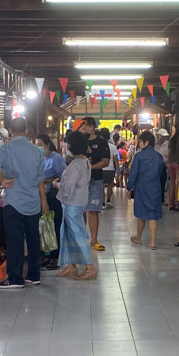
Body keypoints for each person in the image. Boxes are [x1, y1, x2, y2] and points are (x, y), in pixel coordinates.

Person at [0, 117, 49, 289]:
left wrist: (2, 179)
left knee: (14, 240)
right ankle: (34, 275)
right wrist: (44, 203)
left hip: (14, 201)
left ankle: (15, 278)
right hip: (33, 201)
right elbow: (41, 179)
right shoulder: (36, 150)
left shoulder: (5, 148)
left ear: (10, 130)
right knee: (33, 239)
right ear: (26, 131)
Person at [54, 131, 98, 280]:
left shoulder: (76, 165)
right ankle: (71, 265)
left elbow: (68, 187)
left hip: (72, 203)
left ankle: (89, 267)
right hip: (78, 201)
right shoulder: (84, 161)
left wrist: (56, 185)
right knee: (68, 234)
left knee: (78, 234)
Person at [126, 130, 165, 249]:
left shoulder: (139, 156)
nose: (139, 144)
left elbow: (133, 174)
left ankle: (138, 238)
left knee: (141, 214)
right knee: (153, 215)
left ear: (146, 142)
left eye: (140, 142)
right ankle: (152, 242)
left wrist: (129, 188)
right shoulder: (158, 157)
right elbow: (162, 174)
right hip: (155, 188)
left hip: (141, 188)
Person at [78, 117, 110, 251]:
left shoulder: (102, 143)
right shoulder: (80, 142)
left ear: (92, 127)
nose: (86, 129)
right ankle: (81, 239)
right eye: (83, 127)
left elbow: (106, 161)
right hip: (80, 181)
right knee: (80, 210)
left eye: (87, 126)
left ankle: (94, 240)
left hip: (95, 180)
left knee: (93, 210)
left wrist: (91, 167)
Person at [36, 133, 66, 271]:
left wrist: (47, 181)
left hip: (53, 197)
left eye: (40, 145)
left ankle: (56, 257)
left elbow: (62, 177)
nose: (38, 148)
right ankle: (47, 256)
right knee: (45, 227)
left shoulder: (56, 159)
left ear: (47, 145)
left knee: (54, 226)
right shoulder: (39, 159)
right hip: (41, 196)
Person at [166, 126, 179, 211]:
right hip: (177, 162)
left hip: (170, 163)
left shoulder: (172, 139)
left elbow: (169, 150)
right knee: (177, 183)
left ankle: (171, 204)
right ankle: (177, 204)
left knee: (172, 183)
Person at [99, 128, 117, 207]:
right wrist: (118, 171)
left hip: (102, 168)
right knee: (110, 185)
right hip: (111, 169)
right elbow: (116, 159)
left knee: (102, 187)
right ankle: (108, 200)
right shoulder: (113, 147)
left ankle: (103, 202)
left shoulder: (100, 146)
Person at [154, 129, 170, 203]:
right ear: (158, 135)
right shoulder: (153, 144)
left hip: (163, 166)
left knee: (163, 181)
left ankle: (161, 198)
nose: (163, 138)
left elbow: (170, 155)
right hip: (154, 166)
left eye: (164, 136)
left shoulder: (168, 144)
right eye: (162, 136)